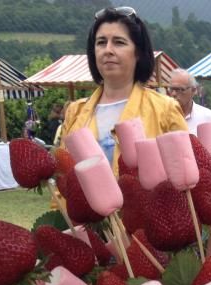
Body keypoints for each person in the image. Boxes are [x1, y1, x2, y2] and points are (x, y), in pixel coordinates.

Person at [60, 7, 187, 174]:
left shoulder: (165, 109)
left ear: (138, 52)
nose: (108, 50)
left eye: (119, 42)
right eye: (101, 42)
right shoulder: (75, 113)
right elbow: (63, 181)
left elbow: (185, 178)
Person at [167, 68, 211, 135]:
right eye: (171, 89)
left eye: (180, 89)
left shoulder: (208, 118)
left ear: (193, 90)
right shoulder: (161, 118)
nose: (173, 94)